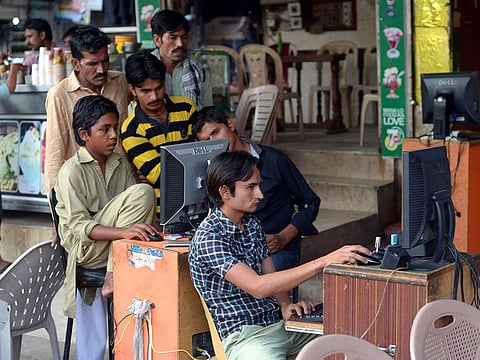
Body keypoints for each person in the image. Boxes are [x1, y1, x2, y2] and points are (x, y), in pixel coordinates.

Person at [188, 151, 372, 360]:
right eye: (250, 187)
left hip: (280, 324)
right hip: (246, 337)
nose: (260, 194)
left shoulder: (252, 224)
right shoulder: (208, 237)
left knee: (355, 333)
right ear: (225, 192)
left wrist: (285, 305)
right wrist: (323, 262)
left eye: (259, 185)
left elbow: (270, 276)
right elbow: (258, 286)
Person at [54, 95, 158, 360]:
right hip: (87, 250)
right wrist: (124, 233)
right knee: (144, 192)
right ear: (84, 134)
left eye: (116, 127)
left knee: (143, 209)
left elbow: (129, 216)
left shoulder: (119, 162)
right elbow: (79, 227)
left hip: (112, 247)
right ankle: (114, 275)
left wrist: (140, 229)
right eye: (105, 129)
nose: (114, 135)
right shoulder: (71, 172)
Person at [193, 106, 320, 271]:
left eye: (216, 132)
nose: (214, 143)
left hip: (277, 249)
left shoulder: (274, 160)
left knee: (257, 278)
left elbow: (311, 202)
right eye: (206, 140)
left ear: (230, 124)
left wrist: (284, 237)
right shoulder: (212, 172)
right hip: (235, 250)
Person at [45, 25, 130, 194]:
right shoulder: (59, 95)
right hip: (84, 189)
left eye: (105, 61)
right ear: (75, 64)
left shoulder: (120, 81)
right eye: (93, 64)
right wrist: (57, 209)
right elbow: (54, 155)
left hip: (121, 182)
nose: (101, 69)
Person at [120, 51, 197, 217]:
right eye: (145, 91)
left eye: (158, 88)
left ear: (164, 83)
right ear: (132, 90)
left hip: (199, 204)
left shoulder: (187, 108)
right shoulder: (131, 130)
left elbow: (209, 157)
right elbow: (161, 176)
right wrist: (195, 166)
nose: (154, 97)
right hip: (161, 212)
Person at [150, 9, 213, 109]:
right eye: (173, 37)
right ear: (157, 40)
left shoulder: (200, 71)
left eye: (184, 37)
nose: (180, 44)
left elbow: (208, 111)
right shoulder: (144, 71)